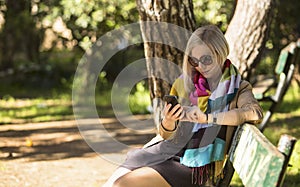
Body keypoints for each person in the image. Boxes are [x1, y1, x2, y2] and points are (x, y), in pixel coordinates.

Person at [104, 25, 263, 187]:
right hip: (171, 151)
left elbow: (254, 112)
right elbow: (166, 135)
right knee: (112, 183)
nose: (200, 66)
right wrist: (169, 120)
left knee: (121, 184)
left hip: (196, 167)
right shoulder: (186, 85)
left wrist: (208, 117)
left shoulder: (238, 88)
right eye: (194, 60)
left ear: (220, 54)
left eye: (206, 59)